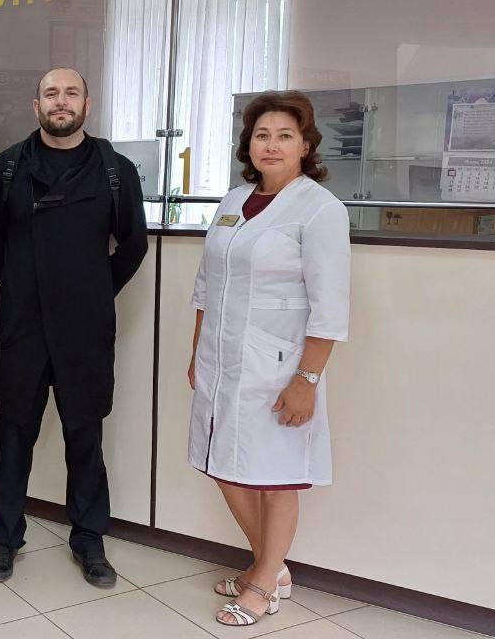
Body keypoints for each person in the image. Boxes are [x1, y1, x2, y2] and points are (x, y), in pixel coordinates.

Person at [0, 68, 148, 587]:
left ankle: (89, 539)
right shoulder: (7, 168)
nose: (61, 101)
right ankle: (4, 538)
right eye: (51, 94)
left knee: (85, 436)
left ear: (86, 105)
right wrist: (28, 289)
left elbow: (133, 244)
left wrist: (92, 290)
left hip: (86, 329)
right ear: (36, 106)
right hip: (22, 326)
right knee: (14, 434)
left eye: (71, 93)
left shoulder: (115, 171)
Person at [187, 90, 350, 627]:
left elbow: (329, 308)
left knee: (275, 478)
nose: (272, 145)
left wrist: (307, 380)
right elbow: (207, 286)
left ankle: (262, 581)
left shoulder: (320, 210)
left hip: (280, 366)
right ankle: (271, 566)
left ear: (306, 145)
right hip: (221, 359)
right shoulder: (233, 201)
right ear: (248, 144)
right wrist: (197, 352)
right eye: (262, 135)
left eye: (285, 136)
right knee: (224, 465)